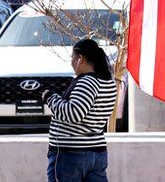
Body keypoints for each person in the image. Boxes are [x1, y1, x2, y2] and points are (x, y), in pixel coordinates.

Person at [42, 38, 119, 182]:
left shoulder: (87, 82)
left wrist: (50, 98)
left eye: (72, 58)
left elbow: (74, 113)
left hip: (71, 155)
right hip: (97, 154)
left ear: (80, 59)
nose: (71, 63)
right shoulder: (108, 83)